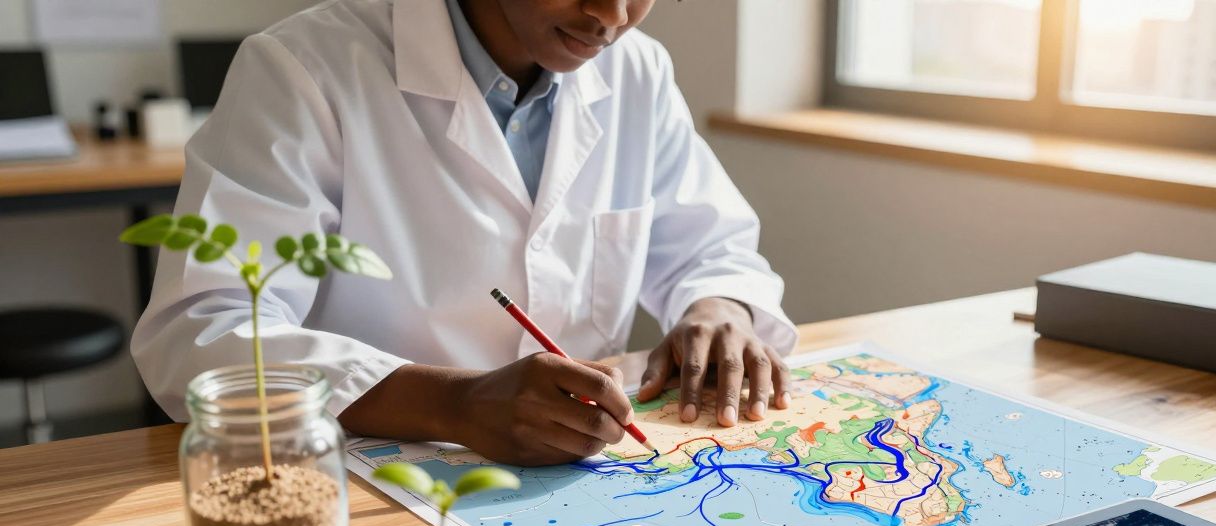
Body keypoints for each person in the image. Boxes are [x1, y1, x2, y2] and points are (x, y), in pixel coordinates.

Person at [133, 0, 796, 466]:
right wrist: (452, 405)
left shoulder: (637, 72)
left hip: (579, 488)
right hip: (372, 489)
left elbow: (712, 246)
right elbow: (199, 333)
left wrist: (719, 306)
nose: (612, 15)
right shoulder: (305, 69)